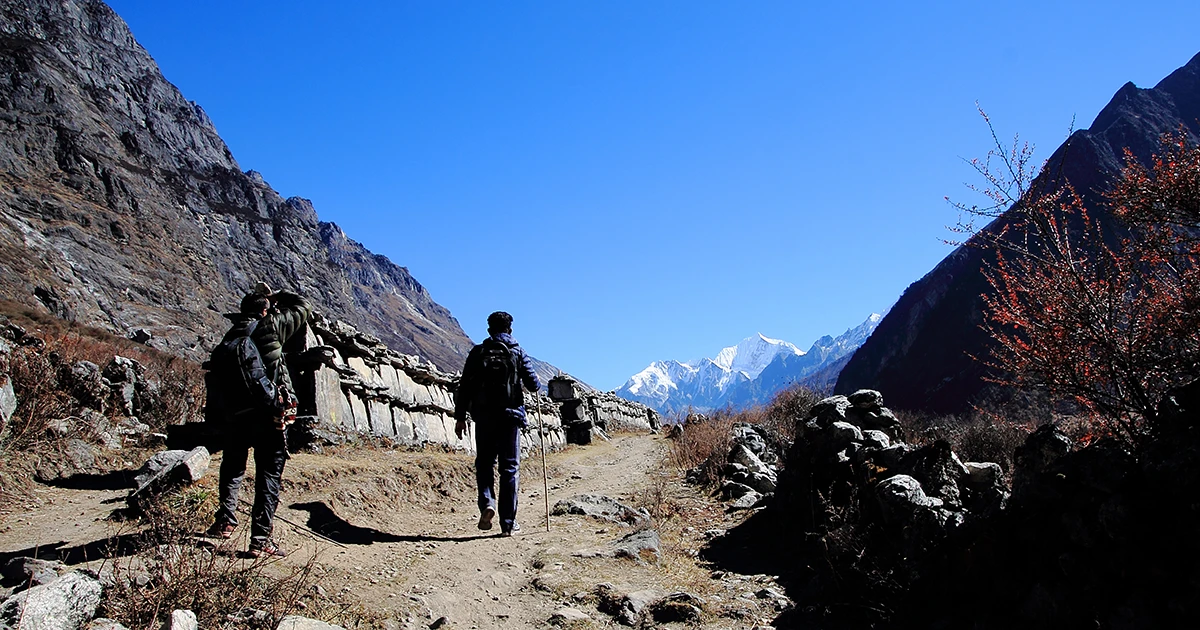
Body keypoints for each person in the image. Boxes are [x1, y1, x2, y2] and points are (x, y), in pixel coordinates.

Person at [207, 282, 312, 557]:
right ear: (266, 311)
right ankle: (260, 539)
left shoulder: (230, 336)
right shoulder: (271, 327)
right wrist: (276, 296)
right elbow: (303, 306)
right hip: (267, 415)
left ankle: (225, 522)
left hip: (234, 417)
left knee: (231, 468)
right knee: (268, 475)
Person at [454, 311, 540, 536]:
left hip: (483, 416)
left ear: (489, 329)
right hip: (510, 417)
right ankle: (508, 524)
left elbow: (464, 387)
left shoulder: (478, 352)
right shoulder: (517, 352)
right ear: (510, 329)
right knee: (509, 468)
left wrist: (460, 417)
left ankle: (487, 503)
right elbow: (533, 384)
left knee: (484, 463)